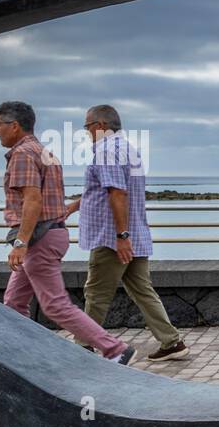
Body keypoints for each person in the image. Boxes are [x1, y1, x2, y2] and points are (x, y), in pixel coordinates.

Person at [0, 100, 134, 364]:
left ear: (14, 126)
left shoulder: (23, 154)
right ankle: (28, 356)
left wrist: (21, 242)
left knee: (55, 305)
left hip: (39, 239)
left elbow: (32, 201)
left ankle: (115, 349)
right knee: (13, 301)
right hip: (49, 234)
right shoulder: (44, 152)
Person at [67, 105, 189, 361]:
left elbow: (117, 193)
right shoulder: (127, 149)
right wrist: (73, 207)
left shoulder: (107, 151)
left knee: (96, 293)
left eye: (87, 127)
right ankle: (172, 342)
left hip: (113, 238)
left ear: (99, 125)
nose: (86, 132)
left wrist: (121, 237)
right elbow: (106, 191)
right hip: (134, 234)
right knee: (142, 290)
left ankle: (82, 346)